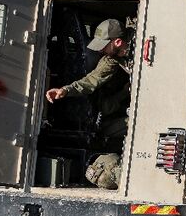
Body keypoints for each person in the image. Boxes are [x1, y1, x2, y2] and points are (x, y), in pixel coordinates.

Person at [45, 19, 132, 189]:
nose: (101, 50)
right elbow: (92, 80)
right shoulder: (111, 59)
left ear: (118, 42)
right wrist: (66, 90)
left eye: (104, 45)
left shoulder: (142, 46)